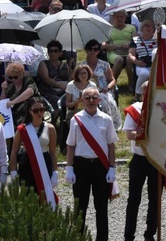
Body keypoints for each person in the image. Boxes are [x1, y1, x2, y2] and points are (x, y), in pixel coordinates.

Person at [65, 86, 118, 241]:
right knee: (80, 207)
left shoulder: (106, 119)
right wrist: (69, 168)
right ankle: (79, 237)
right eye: (87, 98)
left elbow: (111, 146)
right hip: (81, 166)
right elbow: (70, 146)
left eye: (94, 97)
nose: (90, 101)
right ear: (82, 100)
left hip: (100, 166)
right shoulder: (76, 120)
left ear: (99, 100)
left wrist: (112, 168)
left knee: (101, 207)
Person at [122, 82, 159, 241]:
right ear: (141, 92)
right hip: (139, 158)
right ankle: (129, 234)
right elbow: (129, 134)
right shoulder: (134, 109)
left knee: (155, 198)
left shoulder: (162, 108)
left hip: (156, 158)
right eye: (146, 92)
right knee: (134, 198)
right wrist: (146, 136)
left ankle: (150, 233)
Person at [9, 97, 58, 207]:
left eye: (42, 109)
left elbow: (53, 152)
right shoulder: (22, 129)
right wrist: (13, 171)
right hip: (27, 164)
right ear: (30, 111)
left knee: (44, 195)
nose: (39, 113)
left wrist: (55, 172)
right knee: (28, 198)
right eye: (36, 111)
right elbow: (14, 152)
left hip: (45, 163)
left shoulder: (50, 128)